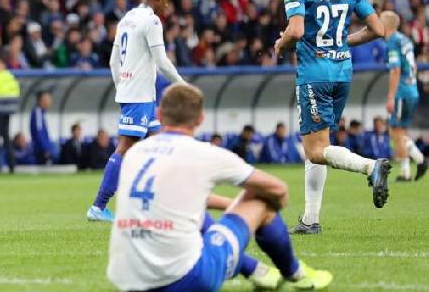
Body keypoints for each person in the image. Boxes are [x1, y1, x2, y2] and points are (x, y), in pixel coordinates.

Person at [107, 84, 333, 291]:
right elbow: (279, 190)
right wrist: (263, 207)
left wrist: (232, 206)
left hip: (126, 279)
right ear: (200, 119)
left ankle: (257, 271)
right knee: (262, 200)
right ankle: (297, 275)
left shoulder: (135, 152)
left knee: (184, 212)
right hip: (185, 280)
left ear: (158, 115)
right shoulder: (205, 153)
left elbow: (180, 195)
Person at [274, 0, 389, 235]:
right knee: (320, 144)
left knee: (313, 150)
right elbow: (378, 29)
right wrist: (341, 41)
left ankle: (370, 167)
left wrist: (281, 44)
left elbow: (296, 31)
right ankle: (311, 219)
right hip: (342, 74)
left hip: (314, 75)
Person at [87, 0, 185, 222]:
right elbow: (162, 61)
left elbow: (112, 61)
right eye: (166, 1)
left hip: (136, 93)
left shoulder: (127, 19)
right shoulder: (151, 22)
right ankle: (99, 206)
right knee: (126, 146)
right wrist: (183, 85)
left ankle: (157, 201)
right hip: (139, 94)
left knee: (157, 144)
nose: (167, 7)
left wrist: (123, 85)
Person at [382, 11, 427, 181]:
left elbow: (395, 70)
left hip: (401, 92)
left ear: (387, 24)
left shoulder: (392, 42)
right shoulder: (405, 39)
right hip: (412, 89)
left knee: (395, 132)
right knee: (401, 131)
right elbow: (413, 65)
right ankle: (413, 166)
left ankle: (414, 165)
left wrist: (390, 97)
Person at [30, 91, 53, 165]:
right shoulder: (38, 113)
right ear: (41, 100)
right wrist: (45, 149)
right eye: (47, 99)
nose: (50, 101)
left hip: (43, 148)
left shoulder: (42, 113)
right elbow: (39, 133)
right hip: (41, 149)